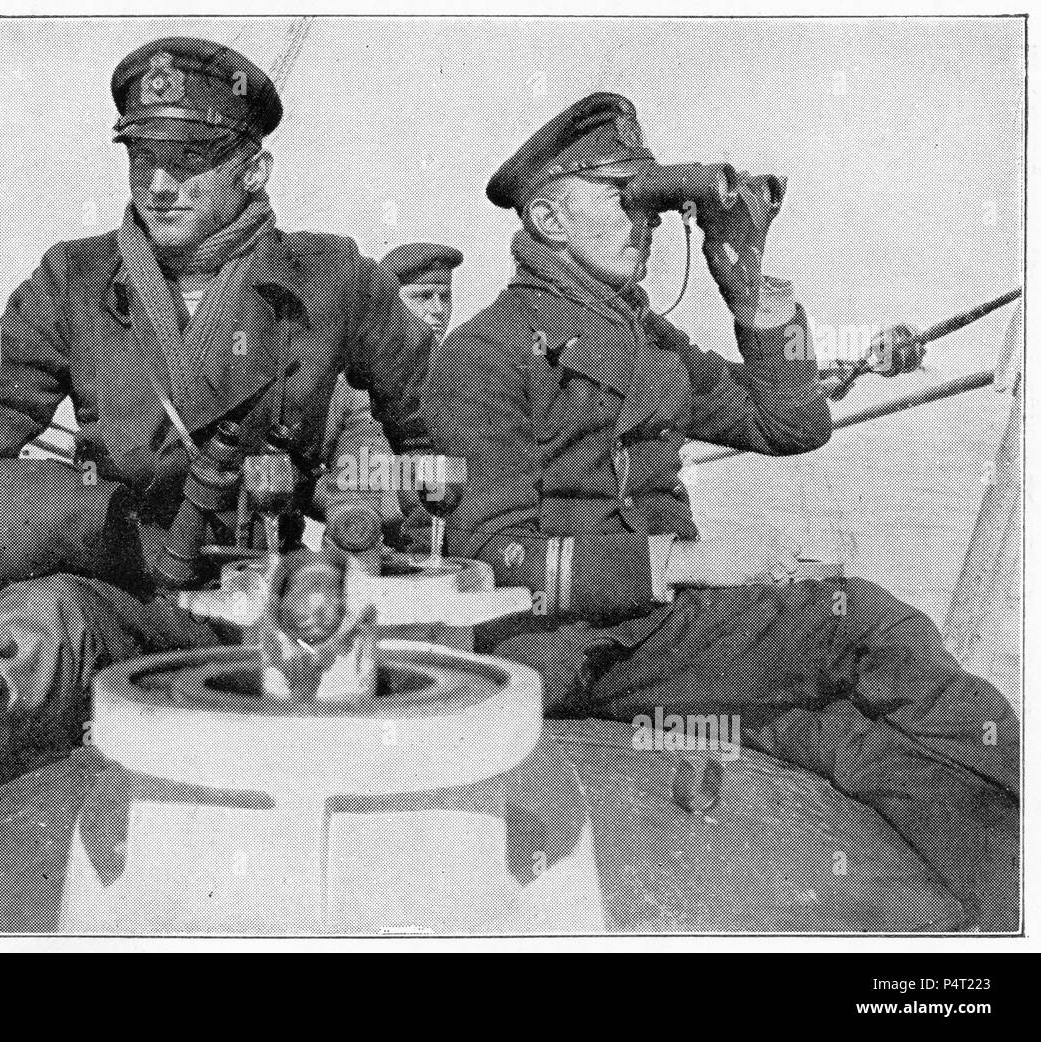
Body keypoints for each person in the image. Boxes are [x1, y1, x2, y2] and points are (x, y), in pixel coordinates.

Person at [0, 37, 434, 910]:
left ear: (254, 167)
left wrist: (417, 532)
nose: (161, 185)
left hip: (265, 607)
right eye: (145, 157)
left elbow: (437, 420)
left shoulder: (334, 278)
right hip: (132, 592)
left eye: (193, 160)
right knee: (26, 637)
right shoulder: (73, 282)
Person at [420, 93, 1018, 930]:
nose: (647, 221)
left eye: (653, 202)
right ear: (549, 217)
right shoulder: (482, 354)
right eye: (622, 196)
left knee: (849, 738)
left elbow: (790, 424)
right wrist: (681, 562)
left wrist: (758, 307)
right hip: (576, 649)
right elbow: (491, 561)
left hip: (663, 647)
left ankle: (1008, 908)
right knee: (862, 625)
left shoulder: (644, 340)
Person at [320, 243, 463, 545]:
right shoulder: (351, 383)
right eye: (423, 296)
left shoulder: (459, 378)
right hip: (360, 544)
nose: (437, 310)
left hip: (435, 547)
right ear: (391, 307)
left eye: (444, 296)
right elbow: (310, 477)